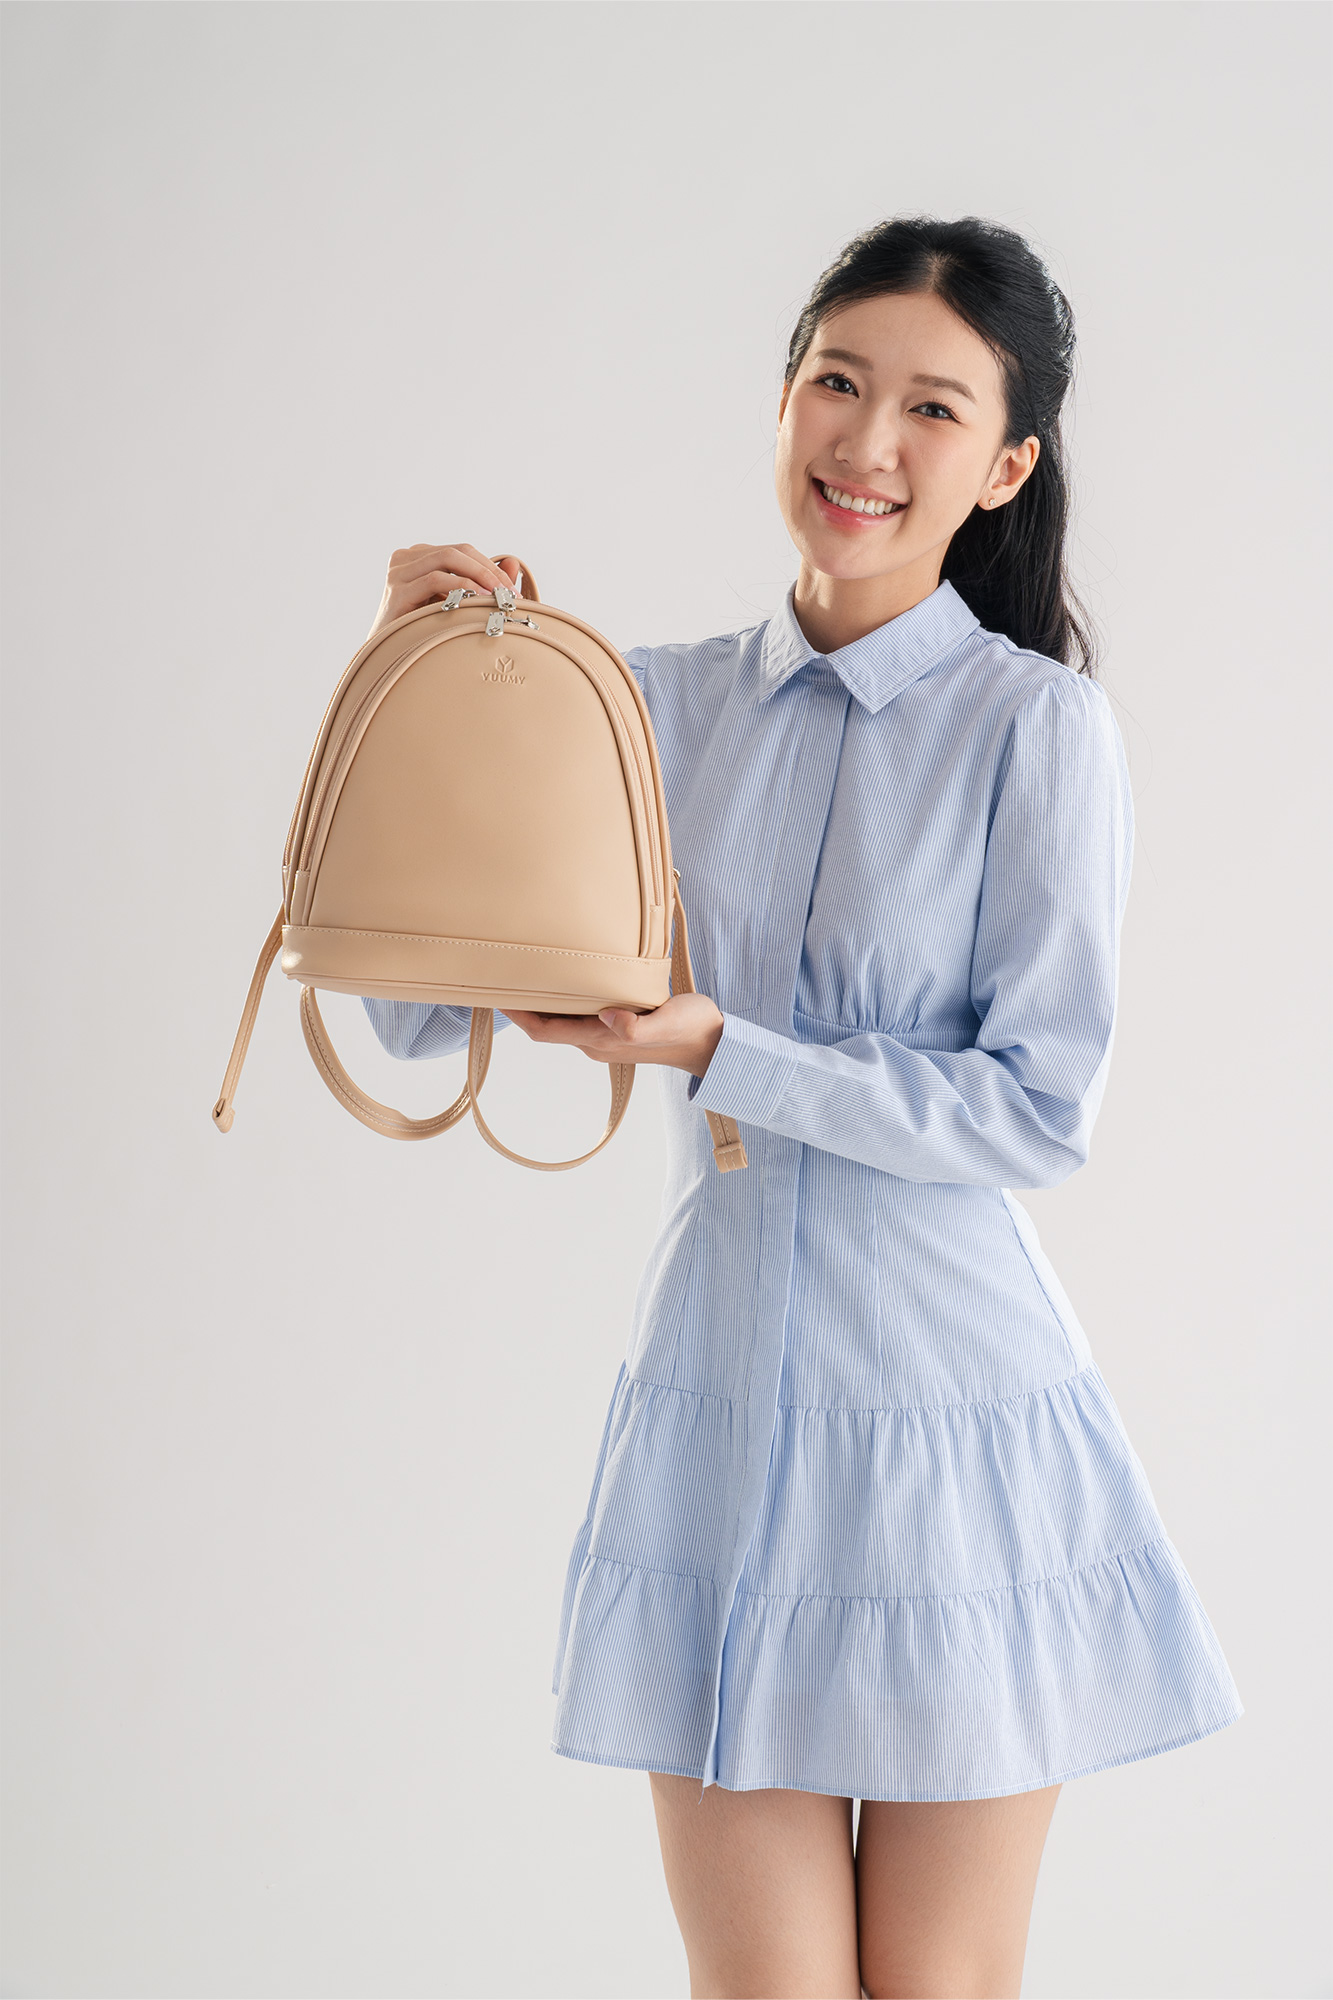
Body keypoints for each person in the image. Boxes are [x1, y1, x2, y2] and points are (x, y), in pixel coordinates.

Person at [357, 215, 1244, 2000]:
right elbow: (409, 1012)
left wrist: (723, 1051)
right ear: (780, 401)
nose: (868, 441)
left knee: (936, 1988)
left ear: (1003, 468)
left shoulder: (1035, 731)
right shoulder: (641, 704)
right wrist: (415, 679)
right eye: (837, 382)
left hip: (950, 1433)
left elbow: (1032, 1114)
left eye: (932, 408)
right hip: (714, 1418)